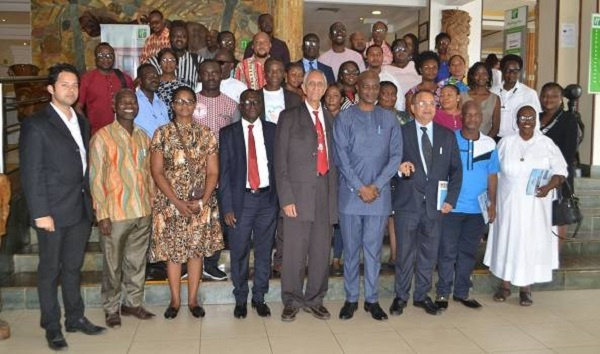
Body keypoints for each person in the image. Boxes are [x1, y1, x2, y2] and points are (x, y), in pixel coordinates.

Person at [20, 63, 106, 351]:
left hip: (79, 208)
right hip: (52, 211)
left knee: (73, 267)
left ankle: (75, 317)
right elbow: (31, 173)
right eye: (64, 85)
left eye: (74, 85)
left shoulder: (80, 121)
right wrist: (39, 213)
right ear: (51, 89)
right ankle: (52, 326)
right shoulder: (37, 124)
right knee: (49, 270)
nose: (71, 90)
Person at [149, 86, 223, 319]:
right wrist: (176, 201)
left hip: (199, 204)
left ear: (195, 104)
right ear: (172, 105)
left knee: (195, 252)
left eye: (189, 101)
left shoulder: (207, 133)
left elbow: (213, 172)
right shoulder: (161, 133)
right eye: (179, 101)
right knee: (173, 253)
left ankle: (192, 301)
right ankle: (174, 300)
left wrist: (202, 200)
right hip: (170, 203)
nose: (184, 105)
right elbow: (157, 171)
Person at [334, 71, 402, 321]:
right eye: (367, 86)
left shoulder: (390, 119)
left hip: (379, 197)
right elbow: (341, 157)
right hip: (351, 197)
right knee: (351, 251)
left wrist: (376, 185)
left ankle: (372, 300)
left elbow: (396, 156)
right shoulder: (344, 118)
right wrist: (360, 187)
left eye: (376, 87)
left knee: (373, 251)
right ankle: (351, 299)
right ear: (358, 87)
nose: (372, 91)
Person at [484, 105, 567, 306]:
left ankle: (525, 289)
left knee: (529, 244)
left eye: (530, 117)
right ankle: (504, 285)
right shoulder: (506, 142)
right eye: (522, 117)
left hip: (535, 207)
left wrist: (548, 187)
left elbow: (561, 171)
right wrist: (492, 201)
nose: (526, 121)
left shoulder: (546, 144)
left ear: (536, 120)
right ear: (516, 120)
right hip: (508, 204)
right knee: (507, 242)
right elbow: (493, 172)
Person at [390, 90, 462, 316]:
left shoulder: (446, 135)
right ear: (412, 107)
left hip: (435, 206)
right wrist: (399, 171)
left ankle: (421, 295)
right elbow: (389, 164)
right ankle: (400, 296)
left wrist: (451, 199)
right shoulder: (400, 133)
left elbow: (456, 171)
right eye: (422, 103)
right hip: (407, 204)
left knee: (428, 254)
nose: (427, 107)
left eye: (432, 103)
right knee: (404, 254)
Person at [275, 70, 338, 322]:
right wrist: (286, 198)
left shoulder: (332, 119)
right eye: (310, 83)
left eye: (319, 84)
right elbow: (280, 161)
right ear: (303, 87)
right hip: (297, 196)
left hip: (325, 192)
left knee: (321, 250)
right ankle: (291, 299)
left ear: (324, 89)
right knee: (294, 252)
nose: (315, 87)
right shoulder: (289, 117)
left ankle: (315, 298)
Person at [90, 89, 156, 328]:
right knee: (113, 264)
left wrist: (152, 204)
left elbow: (149, 174)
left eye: (133, 101)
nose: (129, 105)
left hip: (142, 210)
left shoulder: (142, 136)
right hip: (115, 214)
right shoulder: (102, 137)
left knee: (137, 262)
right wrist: (102, 214)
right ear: (114, 105)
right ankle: (111, 308)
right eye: (124, 101)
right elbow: (96, 179)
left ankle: (133, 303)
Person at [435, 101, 499, 310]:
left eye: (476, 115)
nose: (472, 119)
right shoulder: (450, 138)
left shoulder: (489, 144)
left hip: (476, 210)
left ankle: (462, 292)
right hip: (451, 207)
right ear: (462, 116)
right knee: (447, 252)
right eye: (468, 115)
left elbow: (492, 176)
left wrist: (492, 204)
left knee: (468, 253)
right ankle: (442, 293)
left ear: (482, 117)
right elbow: (441, 170)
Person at [219, 90, 278, 319]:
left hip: (267, 201)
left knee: (264, 253)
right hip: (240, 201)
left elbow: (279, 167)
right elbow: (223, 174)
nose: (251, 105)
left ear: (261, 105)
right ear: (240, 106)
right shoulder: (228, 134)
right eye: (246, 102)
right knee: (240, 251)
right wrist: (227, 208)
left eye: (256, 102)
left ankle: (259, 297)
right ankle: (241, 298)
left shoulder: (273, 130)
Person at [539, 82, 579, 239]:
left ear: (561, 99)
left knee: (558, 215)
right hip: (538, 174)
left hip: (558, 173)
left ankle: (555, 256)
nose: (548, 99)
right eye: (545, 95)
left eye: (554, 96)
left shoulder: (568, 119)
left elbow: (568, 152)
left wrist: (556, 173)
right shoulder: (537, 117)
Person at [76, 42, 134, 135]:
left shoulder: (125, 78)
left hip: (122, 132)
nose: (105, 58)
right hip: (97, 133)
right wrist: (87, 127)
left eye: (109, 55)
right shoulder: (87, 79)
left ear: (114, 57)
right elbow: (78, 107)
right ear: (95, 58)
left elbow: (133, 103)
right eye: (101, 55)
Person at [491, 54, 541, 138]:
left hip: (517, 139)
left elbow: (535, 122)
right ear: (502, 71)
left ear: (519, 72)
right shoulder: (492, 91)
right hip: (495, 137)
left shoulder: (529, 93)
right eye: (507, 70)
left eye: (515, 71)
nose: (511, 74)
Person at [193, 59, 238, 144]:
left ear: (221, 75)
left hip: (223, 154)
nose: (211, 77)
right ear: (199, 76)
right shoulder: (191, 102)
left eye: (215, 73)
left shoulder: (232, 104)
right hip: (196, 154)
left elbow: (236, 135)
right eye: (205, 73)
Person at [148, 21, 201, 88]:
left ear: (188, 39)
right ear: (170, 38)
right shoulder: (155, 60)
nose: (179, 39)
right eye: (175, 36)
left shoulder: (198, 60)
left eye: (183, 36)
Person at [462, 62, 501, 138]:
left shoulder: (495, 99)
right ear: (472, 76)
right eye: (477, 74)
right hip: (464, 140)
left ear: (489, 76)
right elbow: (459, 121)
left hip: (486, 143)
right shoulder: (462, 96)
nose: (481, 77)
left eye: (484, 73)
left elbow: (495, 128)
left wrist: (484, 142)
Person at [260, 58, 303, 124]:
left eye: (279, 71)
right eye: (270, 70)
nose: (274, 74)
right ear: (264, 74)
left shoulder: (295, 99)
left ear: (283, 74)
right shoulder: (256, 96)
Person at [135, 63, 170, 138]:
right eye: (149, 76)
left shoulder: (161, 104)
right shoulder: (133, 101)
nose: (154, 79)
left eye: (156, 76)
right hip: (141, 147)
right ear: (139, 81)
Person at [365, 45, 404, 110]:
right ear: (366, 57)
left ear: (382, 57)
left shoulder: (390, 78)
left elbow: (399, 100)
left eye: (378, 54)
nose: (375, 57)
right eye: (372, 54)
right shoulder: (361, 78)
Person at [405, 51, 443, 116]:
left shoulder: (443, 90)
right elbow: (410, 117)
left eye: (434, 67)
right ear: (420, 70)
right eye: (427, 67)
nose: (431, 70)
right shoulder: (412, 93)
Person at [156, 48, 187, 119]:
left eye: (172, 60)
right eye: (164, 60)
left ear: (176, 64)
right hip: (158, 122)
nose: (168, 63)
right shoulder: (154, 82)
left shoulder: (183, 83)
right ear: (159, 63)